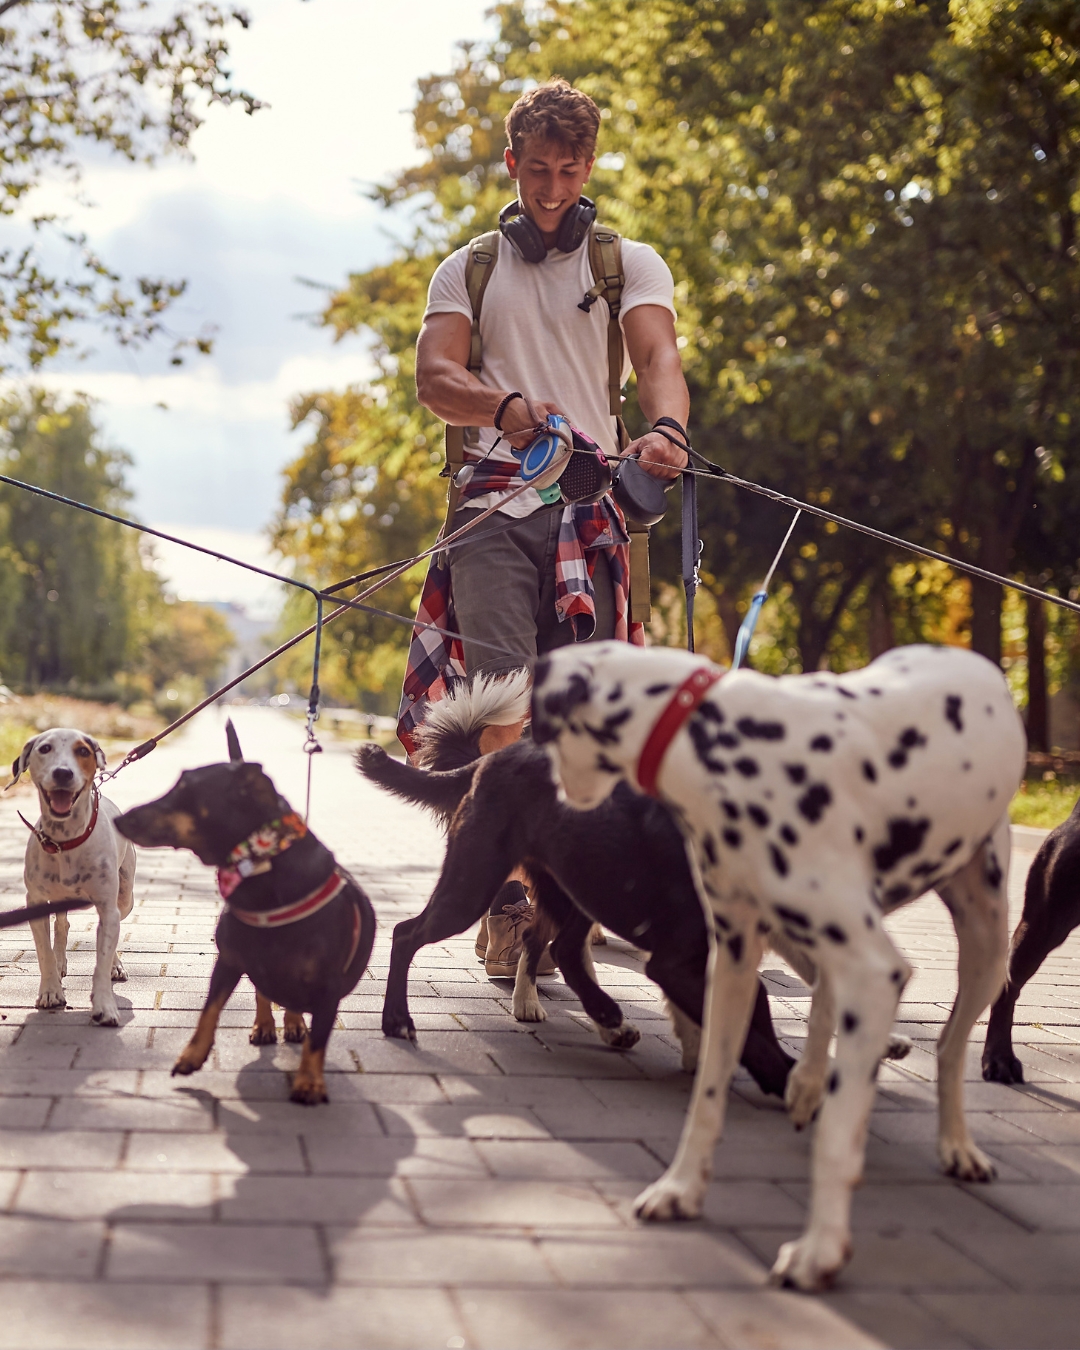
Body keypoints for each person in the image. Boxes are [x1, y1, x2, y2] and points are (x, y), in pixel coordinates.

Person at [402, 78, 689, 976]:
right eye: (536, 172)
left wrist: (669, 429)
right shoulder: (470, 266)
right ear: (510, 164)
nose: (553, 191)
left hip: (593, 509)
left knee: (579, 712)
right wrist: (507, 405)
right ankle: (508, 899)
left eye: (569, 172)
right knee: (501, 698)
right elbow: (435, 377)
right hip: (492, 503)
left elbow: (657, 358)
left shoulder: (626, 263)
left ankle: (572, 892)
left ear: (590, 167)